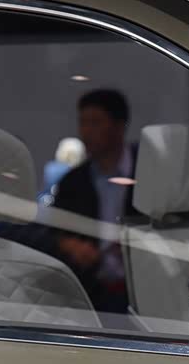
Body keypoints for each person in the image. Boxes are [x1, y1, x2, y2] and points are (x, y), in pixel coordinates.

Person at [53, 89, 140, 313]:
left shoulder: (148, 170)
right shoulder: (73, 182)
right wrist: (68, 244)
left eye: (95, 122)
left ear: (119, 126)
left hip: (145, 287)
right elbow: (54, 229)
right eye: (83, 122)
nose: (86, 131)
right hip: (92, 293)